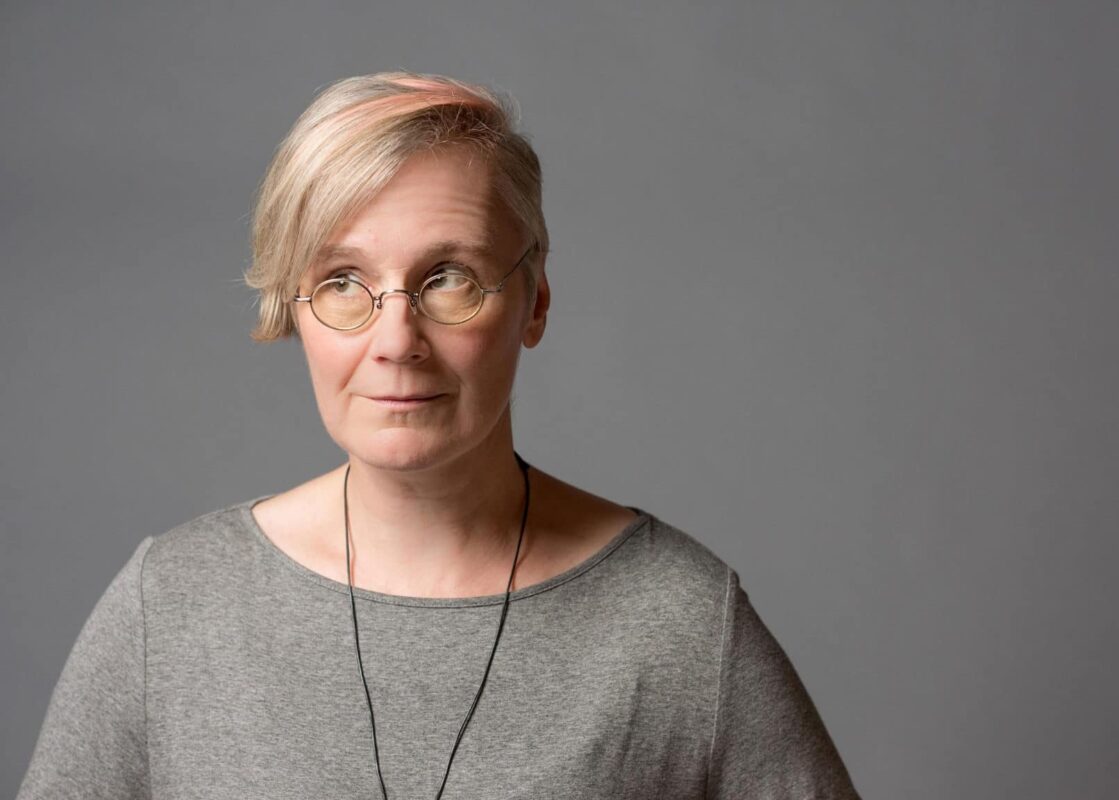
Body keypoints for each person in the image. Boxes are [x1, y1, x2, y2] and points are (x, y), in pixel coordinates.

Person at [17, 72, 860, 799]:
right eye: (342, 281)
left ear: (532, 303)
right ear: (293, 309)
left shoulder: (676, 620)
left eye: (448, 278)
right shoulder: (170, 605)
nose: (395, 340)